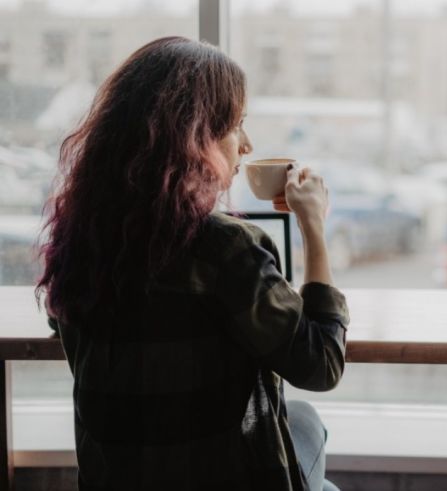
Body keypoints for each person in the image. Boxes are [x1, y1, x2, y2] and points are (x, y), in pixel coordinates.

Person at [36, 37, 347, 491]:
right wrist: (313, 225)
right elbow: (321, 364)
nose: (247, 145)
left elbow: (65, 323)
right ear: (195, 136)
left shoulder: (82, 241)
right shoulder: (224, 248)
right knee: (309, 428)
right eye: (237, 125)